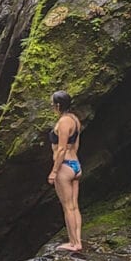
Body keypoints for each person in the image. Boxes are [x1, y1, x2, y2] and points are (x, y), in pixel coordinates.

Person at [48, 90, 82, 252]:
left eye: (53, 104)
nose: (52, 107)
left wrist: (54, 171)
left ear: (59, 105)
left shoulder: (63, 122)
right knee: (74, 206)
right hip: (75, 164)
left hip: (64, 166)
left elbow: (61, 149)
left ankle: (74, 243)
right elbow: (75, 145)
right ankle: (78, 241)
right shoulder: (75, 120)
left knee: (67, 207)